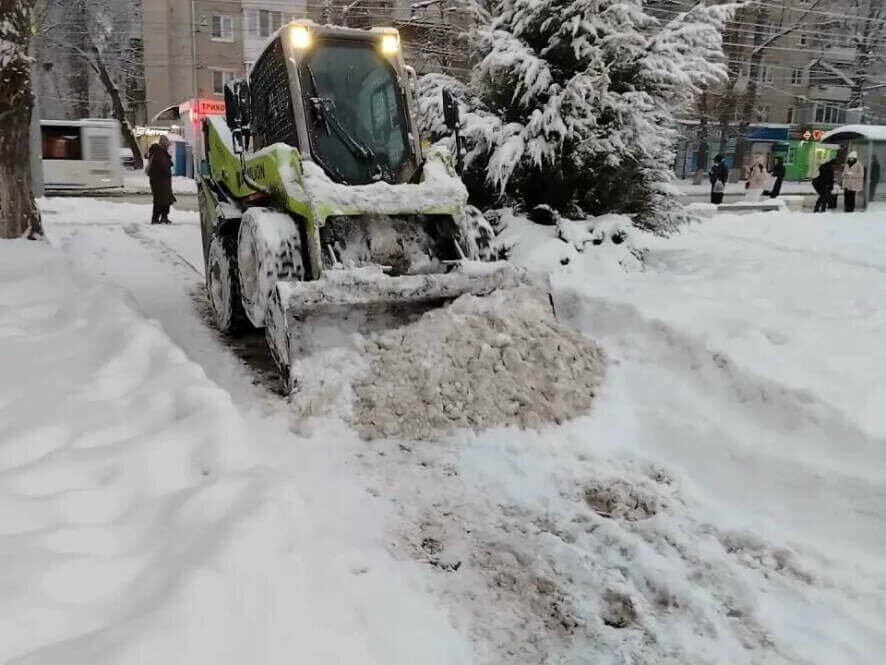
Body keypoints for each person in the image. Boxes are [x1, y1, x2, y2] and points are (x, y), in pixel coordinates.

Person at [146, 135, 175, 224]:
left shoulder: (161, 152)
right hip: (159, 181)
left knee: (166, 200)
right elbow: (163, 166)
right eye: (167, 145)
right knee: (160, 200)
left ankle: (164, 217)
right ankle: (155, 219)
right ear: (164, 145)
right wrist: (168, 166)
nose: (168, 147)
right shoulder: (159, 152)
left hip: (162, 180)